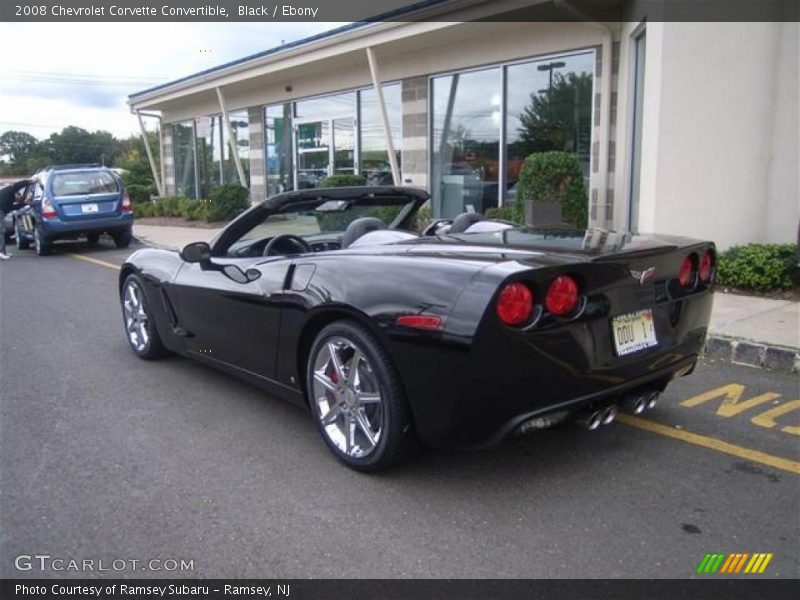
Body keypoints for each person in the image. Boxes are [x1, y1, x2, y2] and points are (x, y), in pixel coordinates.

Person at [0, 179, 30, 260]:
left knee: (2, 232)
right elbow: (17, 185)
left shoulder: (10, 201)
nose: (18, 200)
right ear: (16, 194)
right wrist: (30, 181)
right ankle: (1, 252)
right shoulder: (10, 191)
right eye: (19, 198)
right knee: (1, 232)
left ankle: (3, 252)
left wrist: (25, 204)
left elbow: (14, 207)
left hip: (1, 213)